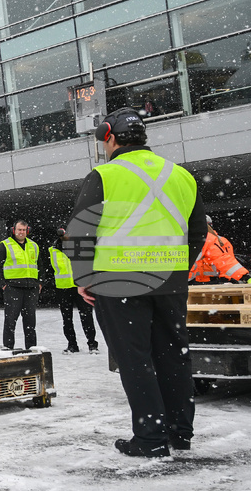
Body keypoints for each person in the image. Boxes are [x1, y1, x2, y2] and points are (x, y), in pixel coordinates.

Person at [66, 107, 207, 458]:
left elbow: (80, 230)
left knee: (135, 360)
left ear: (109, 136)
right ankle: (180, 433)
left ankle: (150, 439)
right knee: (174, 357)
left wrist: (83, 277)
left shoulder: (104, 175)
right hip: (169, 284)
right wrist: (175, 269)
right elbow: (198, 232)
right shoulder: (181, 176)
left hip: (119, 283)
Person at [46, 228, 99, 353]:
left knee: (87, 316)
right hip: (63, 287)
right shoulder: (53, 250)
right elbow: (51, 269)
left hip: (81, 286)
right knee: (66, 318)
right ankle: (72, 345)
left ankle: (92, 344)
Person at [0, 220, 41, 350]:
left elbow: (40, 265)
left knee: (30, 322)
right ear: (14, 230)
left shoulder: (34, 246)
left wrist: (39, 283)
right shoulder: (5, 245)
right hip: (13, 288)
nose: (22, 232)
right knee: (10, 321)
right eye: (19, 230)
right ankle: (8, 349)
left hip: (31, 288)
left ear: (27, 231)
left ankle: (31, 349)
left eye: (24, 230)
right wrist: (3, 285)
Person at [189, 216, 251, 284]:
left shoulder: (212, 240)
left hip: (203, 281)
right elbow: (223, 260)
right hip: (192, 282)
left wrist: (228, 278)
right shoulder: (207, 239)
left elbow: (224, 260)